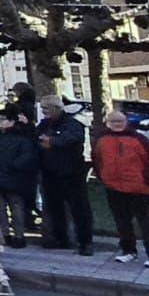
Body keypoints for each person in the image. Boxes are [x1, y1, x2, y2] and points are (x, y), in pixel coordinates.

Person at [94, 105, 149, 268]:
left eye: (120, 121)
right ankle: (128, 251)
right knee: (122, 221)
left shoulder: (139, 139)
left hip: (138, 188)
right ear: (107, 122)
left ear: (126, 122)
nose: (117, 124)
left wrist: (146, 180)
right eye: (113, 121)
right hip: (113, 187)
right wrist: (104, 177)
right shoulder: (101, 140)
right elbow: (97, 160)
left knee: (147, 222)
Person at [35, 95, 93, 255]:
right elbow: (36, 138)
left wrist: (52, 142)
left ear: (55, 108)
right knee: (55, 208)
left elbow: (72, 138)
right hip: (50, 172)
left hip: (71, 172)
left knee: (79, 209)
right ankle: (61, 238)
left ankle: (85, 242)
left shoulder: (72, 123)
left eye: (46, 109)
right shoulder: (45, 124)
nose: (43, 112)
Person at [0, 111, 38, 248]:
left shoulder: (21, 138)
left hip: (13, 178)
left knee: (16, 208)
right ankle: (4, 234)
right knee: (0, 209)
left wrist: (14, 165)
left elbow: (28, 157)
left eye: (3, 119)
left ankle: (18, 235)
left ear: (12, 121)